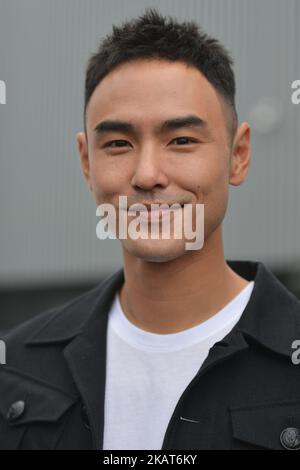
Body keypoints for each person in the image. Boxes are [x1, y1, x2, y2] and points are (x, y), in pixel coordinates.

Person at [1, 8, 300, 451]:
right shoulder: (18, 369)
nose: (147, 174)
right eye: (118, 144)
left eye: (181, 140)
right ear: (87, 162)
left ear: (238, 155)